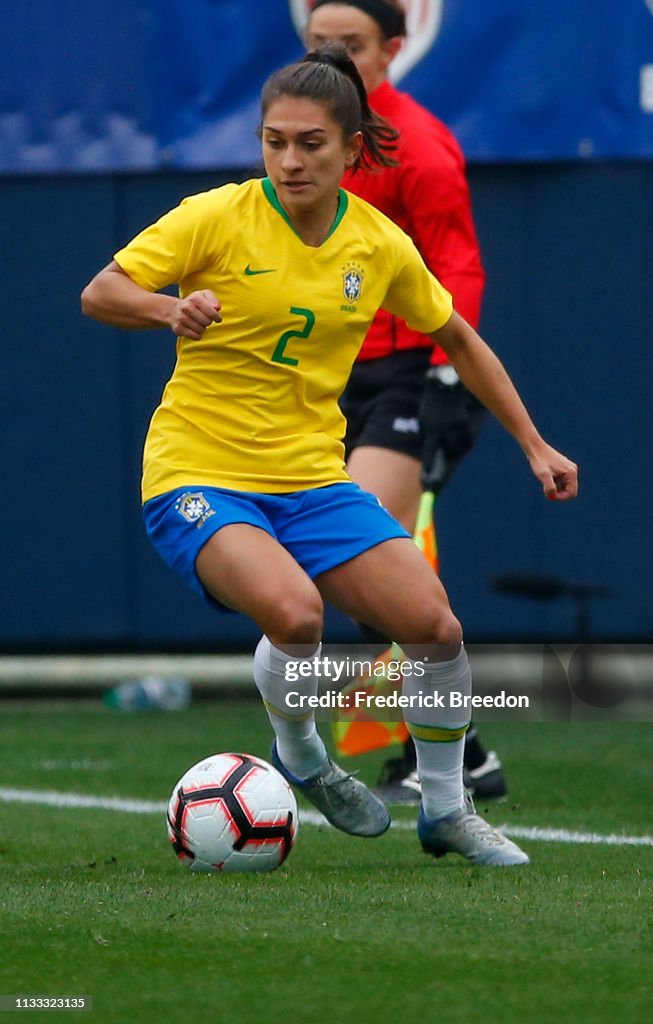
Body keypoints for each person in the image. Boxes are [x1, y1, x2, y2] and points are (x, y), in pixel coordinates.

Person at [81, 44, 578, 866]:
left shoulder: (376, 243)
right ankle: (302, 750)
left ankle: (446, 809)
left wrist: (533, 442)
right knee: (296, 614)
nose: (288, 159)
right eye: (274, 140)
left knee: (435, 627)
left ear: (352, 149)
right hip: (197, 474)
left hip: (310, 477)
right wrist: (167, 309)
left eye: (310, 143)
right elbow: (101, 291)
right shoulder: (215, 215)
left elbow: (457, 336)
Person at [304, 0, 502, 802]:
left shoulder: (415, 145)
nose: (333, 56)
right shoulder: (307, 146)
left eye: (349, 44)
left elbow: (459, 266)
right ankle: (463, 751)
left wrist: (450, 379)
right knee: (359, 587)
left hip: (408, 373)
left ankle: (457, 758)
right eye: (319, 43)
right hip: (329, 378)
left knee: (363, 563)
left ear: (393, 47)